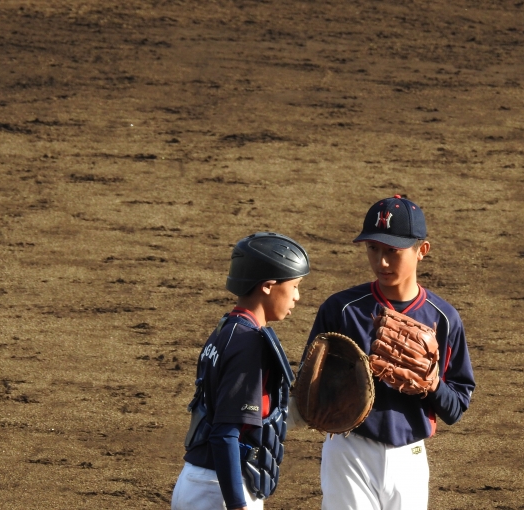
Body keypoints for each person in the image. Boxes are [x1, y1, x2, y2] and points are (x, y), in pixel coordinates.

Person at [300, 195, 475, 510]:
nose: (381, 262)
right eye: (373, 248)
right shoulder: (341, 310)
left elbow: (456, 408)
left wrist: (432, 384)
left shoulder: (444, 318)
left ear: (422, 250)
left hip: (410, 457)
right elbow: (307, 384)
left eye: (393, 251)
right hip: (349, 450)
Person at [172, 232, 310, 510]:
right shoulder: (250, 344)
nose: (297, 296)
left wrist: (304, 413)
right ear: (268, 286)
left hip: (201, 482)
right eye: (294, 286)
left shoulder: (225, 330)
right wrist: (237, 503)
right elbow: (226, 432)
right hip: (220, 490)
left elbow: (247, 417)